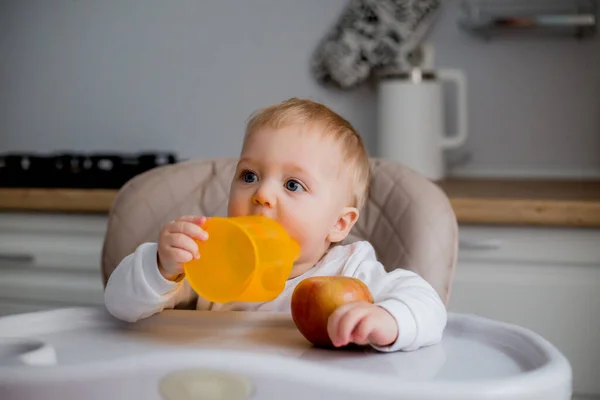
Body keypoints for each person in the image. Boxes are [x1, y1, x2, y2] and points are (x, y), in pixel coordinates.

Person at [104, 98, 447, 352]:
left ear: (339, 224)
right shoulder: (207, 260)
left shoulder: (351, 272)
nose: (262, 194)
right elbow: (120, 306)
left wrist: (388, 320)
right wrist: (161, 267)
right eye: (249, 176)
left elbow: (428, 305)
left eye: (293, 185)